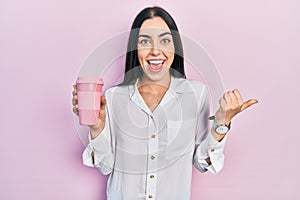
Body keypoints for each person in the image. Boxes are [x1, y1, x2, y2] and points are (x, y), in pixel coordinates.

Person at [72, 6, 258, 200]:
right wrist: (96, 127)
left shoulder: (196, 94)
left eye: (165, 40)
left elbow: (202, 162)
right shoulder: (114, 97)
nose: (155, 51)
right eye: (145, 41)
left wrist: (221, 124)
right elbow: (105, 166)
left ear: (174, 46)